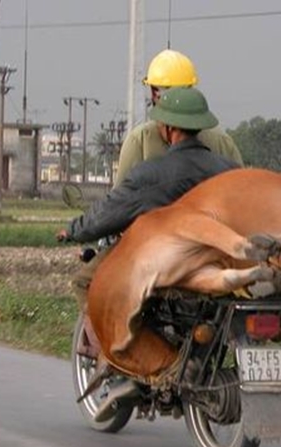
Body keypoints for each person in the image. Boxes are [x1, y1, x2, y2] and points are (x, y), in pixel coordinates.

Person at [57, 87, 240, 422]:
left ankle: (132, 362)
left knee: (87, 281)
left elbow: (109, 213)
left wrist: (74, 230)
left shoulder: (151, 173)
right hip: (221, 259)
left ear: (168, 129)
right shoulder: (230, 171)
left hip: (164, 262)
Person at [114, 49, 243, 186]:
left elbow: (120, 203)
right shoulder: (221, 142)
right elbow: (241, 195)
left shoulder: (140, 141)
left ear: (154, 93)